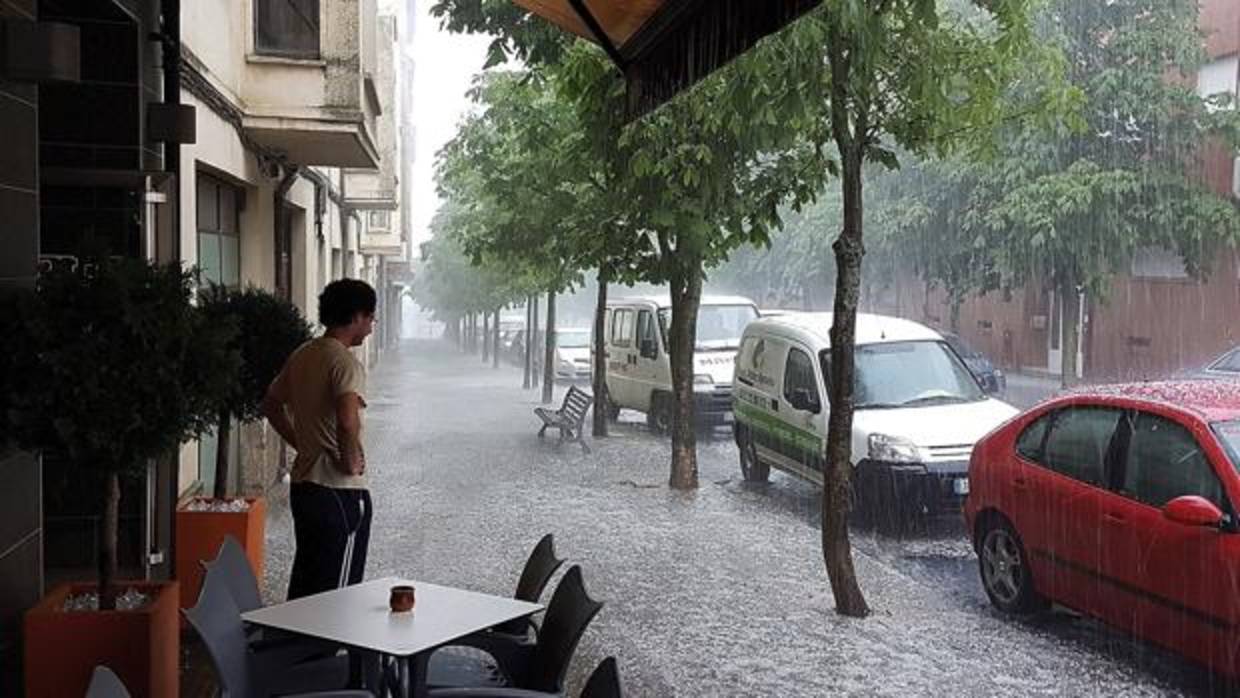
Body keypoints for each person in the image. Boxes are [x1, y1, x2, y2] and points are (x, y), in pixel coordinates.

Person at [262, 278, 376, 600]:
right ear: (355, 317)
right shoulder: (344, 362)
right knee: (337, 593)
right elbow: (347, 418)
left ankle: (298, 648)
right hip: (338, 492)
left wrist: (301, 442)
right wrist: (351, 460)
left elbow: (270, 405)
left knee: (307, 579)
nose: (371, 325)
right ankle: (326, 649)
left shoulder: (303, 354)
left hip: (304, 488)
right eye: (370, 317)